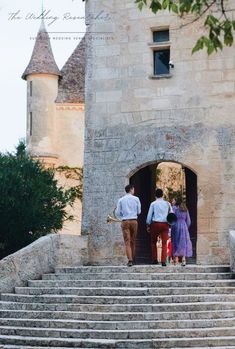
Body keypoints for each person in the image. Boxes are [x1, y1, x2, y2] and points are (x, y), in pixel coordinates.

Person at [116, 184, 141, 267]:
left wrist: (124, 214)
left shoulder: (121, 200)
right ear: (131, 189)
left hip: (125, 221)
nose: (134, 190)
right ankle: (132, 259)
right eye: (133, 189)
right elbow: (139, 212)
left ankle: (130, 260)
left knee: (127, 242)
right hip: (134, 221)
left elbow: (117, 213)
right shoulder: (136, 199)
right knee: (133, 241)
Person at [146, 188, 172, 266]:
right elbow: (171, 214)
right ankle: (163, 261)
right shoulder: (167, 204)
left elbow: (149, 216)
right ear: (162, 195)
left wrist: (148, 224)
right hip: (165, 224)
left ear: (155, 195)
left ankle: (155, 259)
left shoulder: (153, 204)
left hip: (155, 224)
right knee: (164, 243)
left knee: (153, 242)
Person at [171, 198, 192, 266]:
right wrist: (186, 227)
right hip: (184, 226)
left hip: (176, 226)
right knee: (184, 243)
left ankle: (175, 259)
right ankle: (183, 259)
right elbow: (188, 221)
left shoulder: (174, 209)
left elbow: (172, 218)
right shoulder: (185, 209)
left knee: (176, 241)